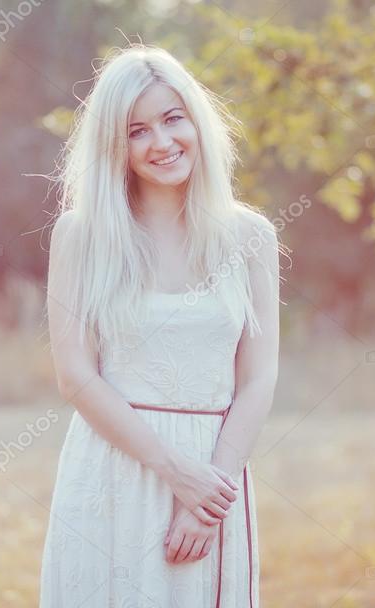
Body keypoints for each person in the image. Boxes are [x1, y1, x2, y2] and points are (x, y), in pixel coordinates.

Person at [39, 43, 280, 607]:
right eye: (137, 130)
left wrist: (208, 495)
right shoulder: (81, 236)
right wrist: (176, 474)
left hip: (214, 473)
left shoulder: (250, 237)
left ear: (197, 121)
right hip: (113, 469)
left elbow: (258, 379)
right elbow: (75, 376)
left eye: (173, 119)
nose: (162, 142)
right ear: (114, 147)